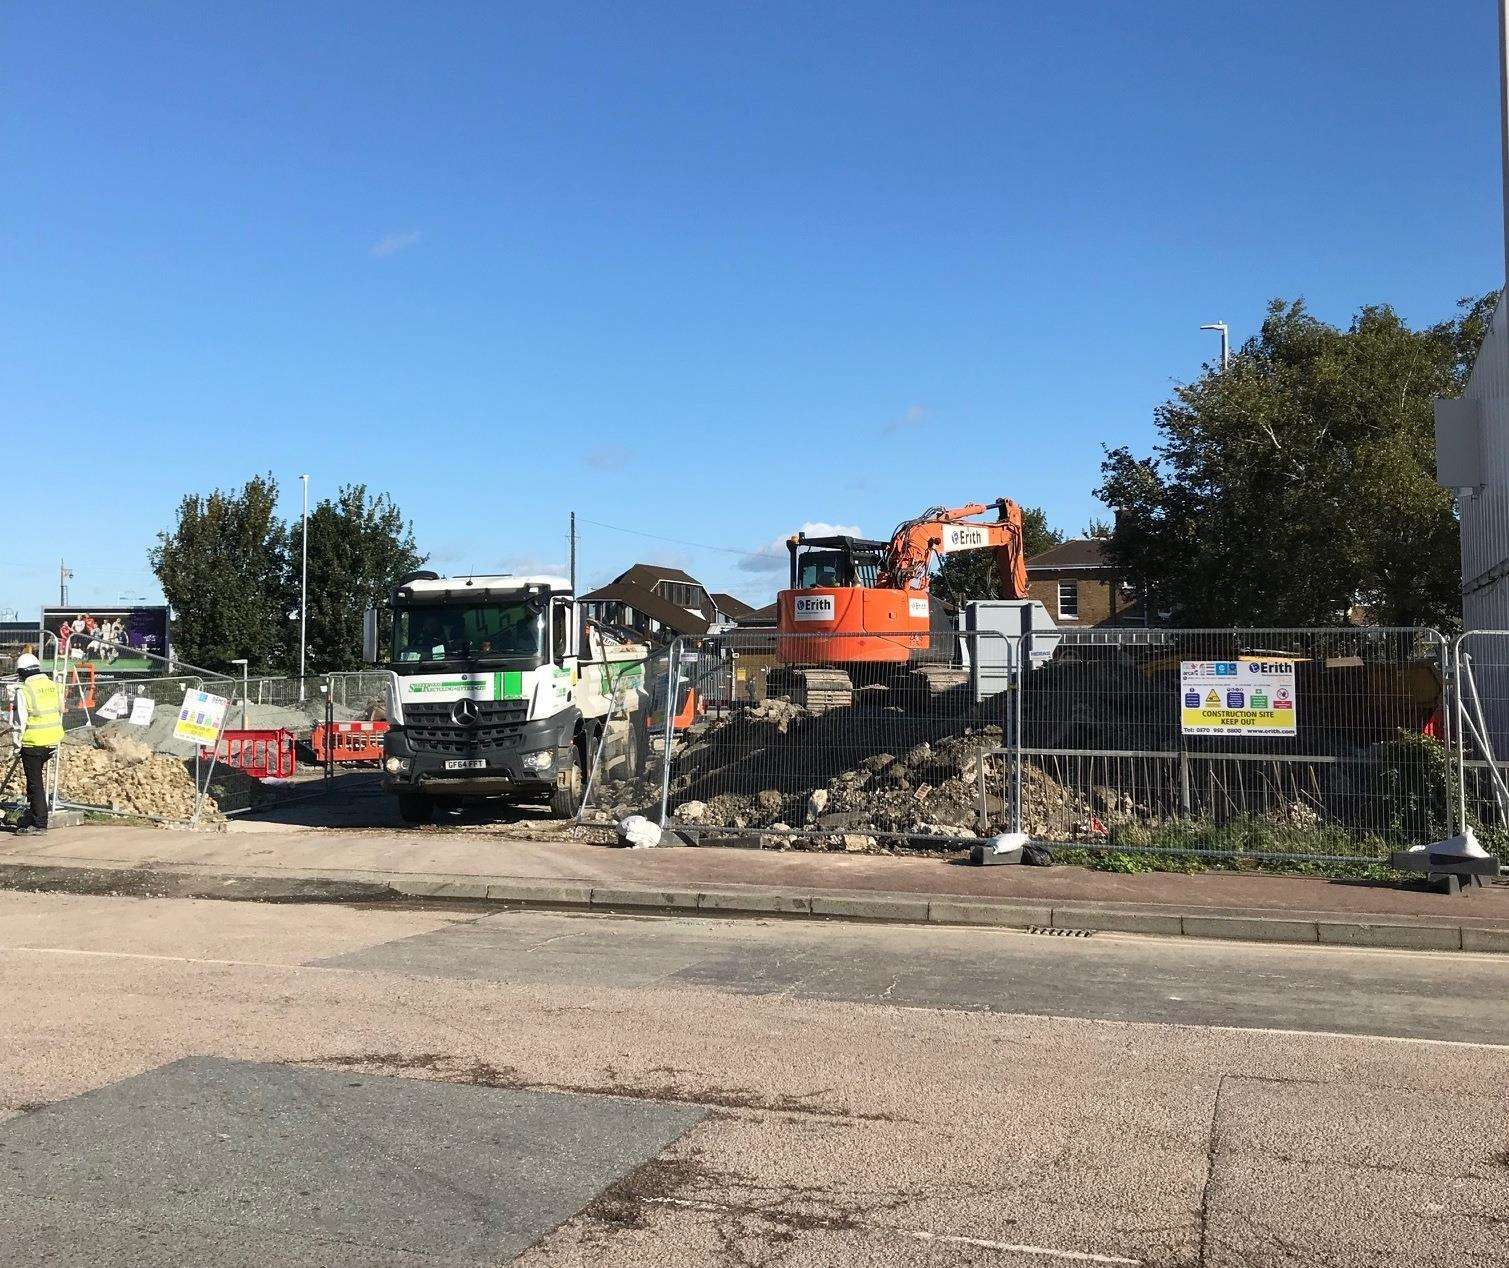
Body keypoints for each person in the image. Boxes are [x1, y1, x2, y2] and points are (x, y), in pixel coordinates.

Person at [9, 652, 63, 835]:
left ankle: (40, 822)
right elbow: (61, 709)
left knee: (35, 783)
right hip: (53, 739)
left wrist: (17, 747)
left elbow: (19, 722)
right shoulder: (53, 686)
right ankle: (32, 815)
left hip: (33, 743)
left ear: (22, 672)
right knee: (35, 781)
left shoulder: (24, 690)